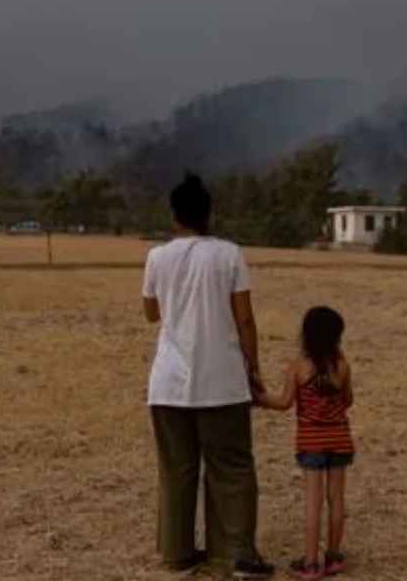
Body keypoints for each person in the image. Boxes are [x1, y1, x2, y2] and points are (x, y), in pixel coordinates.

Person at [141, 173, 276, 579]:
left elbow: (151, 313)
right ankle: (237, 553)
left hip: (168, 384)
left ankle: (179, 554)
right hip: (223, 382)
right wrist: (254, 369)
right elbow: (245, 319)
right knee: (232, 466)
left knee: (177, 469)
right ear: (207, 213)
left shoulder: (157, 257)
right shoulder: (229, 254)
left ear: (175, 216)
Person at [257, 306, 354, 580]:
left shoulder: (299, 367)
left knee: (313, 503)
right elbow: (348, 400)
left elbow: (285, 402)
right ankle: (333, 557)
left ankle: (310, 563)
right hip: (339, 439)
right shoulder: (342, 365)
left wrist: (259, 398)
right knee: (336, 499)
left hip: (311, 441)